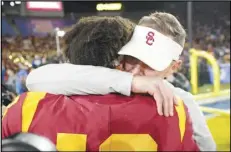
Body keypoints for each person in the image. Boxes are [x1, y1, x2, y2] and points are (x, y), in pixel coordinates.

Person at [3, 15, 199, 151]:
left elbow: (35, 78)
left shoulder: (25, 107)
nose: (138, 70)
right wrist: (130, 81)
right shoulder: (173, 108)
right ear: (118, 57)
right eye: (131, 59)